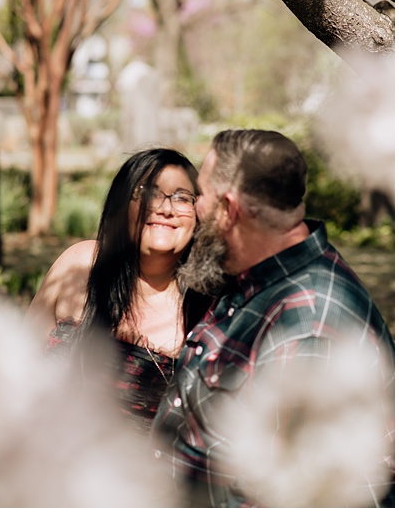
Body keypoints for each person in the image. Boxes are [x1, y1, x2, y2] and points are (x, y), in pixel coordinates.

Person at [151, 129, 395, 506]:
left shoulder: (310, 330)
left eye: (202, 196)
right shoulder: (253, 278)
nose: (195, 207)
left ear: (229, 210)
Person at [24, 148, 213, 434]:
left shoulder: (207, 309)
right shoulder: (80, 264)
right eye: (150, 193)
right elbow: (13, 365)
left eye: (182, 198)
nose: (166, 208)